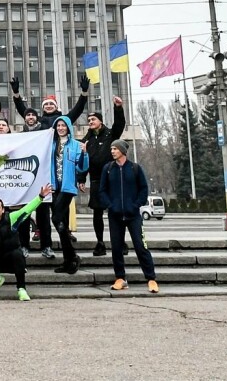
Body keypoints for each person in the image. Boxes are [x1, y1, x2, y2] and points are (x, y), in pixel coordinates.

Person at [99, 140, 159, 293]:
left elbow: (144, 189)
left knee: (141, 246)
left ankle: (151, 279)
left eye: (115, 148)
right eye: (111, 148)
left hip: (133, 216)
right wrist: (110, 205)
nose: (112, 151)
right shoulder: (108, 169)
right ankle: (120, 278)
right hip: (115, 216)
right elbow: (102, 191)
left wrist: (135, 205)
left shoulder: (135, 168)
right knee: (116, 248)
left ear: (123, 151)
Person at [83, 97, 126, 256]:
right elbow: (83, 160)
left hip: (111, 179)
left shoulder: (110, 134)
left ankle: (120, 243)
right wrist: (81, 178)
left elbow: (119, 124)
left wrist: (118, 108)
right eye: (88, 120)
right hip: (95, 180)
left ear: (100, 121)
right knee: (97, 213)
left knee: (116, 212)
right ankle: (100, 242)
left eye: (93, 119)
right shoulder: (87, 139)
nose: (90, 121)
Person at [49, 116, 89, 274]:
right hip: (54, 187)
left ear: (68, 128)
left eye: (63, 125)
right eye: (58, 125)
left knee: (56, 218)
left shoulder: (76, 145)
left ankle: (72, 256)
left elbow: (82, 168)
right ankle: (69, 260)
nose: (60, 128)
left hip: (67, 188)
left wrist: (84, 154)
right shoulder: (51, 144)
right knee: (62, 226)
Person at [13, 73, 89, 129]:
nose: (48, 106)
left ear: (56, 107)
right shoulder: (38, 120)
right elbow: (22, 110)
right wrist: (16, 93)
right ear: (43, 108)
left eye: (51, 104)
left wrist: (84, 92)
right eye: (46, 104)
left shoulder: (64, 119)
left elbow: (78, 108)